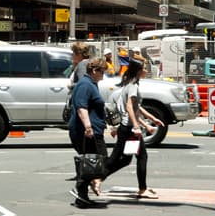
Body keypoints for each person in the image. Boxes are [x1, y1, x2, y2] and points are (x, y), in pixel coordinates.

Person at [102, 58, 165, 199]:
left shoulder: (131, 84)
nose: (146, 71)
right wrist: (137, 127)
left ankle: (96, 179)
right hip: (129, 128)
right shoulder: (133, 86)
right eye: (144, 69)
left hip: (127, 127)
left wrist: (150, 121)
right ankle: (93, 179)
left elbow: (137, 108)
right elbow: (130, 107)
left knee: (122, 159)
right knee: (140, 156)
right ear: (138, 71)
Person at [68, 58, 109, 208]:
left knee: (93, 163)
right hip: (86, 132)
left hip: (93, 130)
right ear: (94, 71)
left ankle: (82, 195)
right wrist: (88, 127)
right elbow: (81, 107)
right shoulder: (85, 85)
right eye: (102, 71)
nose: (103, 75)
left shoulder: (91, 84)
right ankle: (80, 188)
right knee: (99, 161)